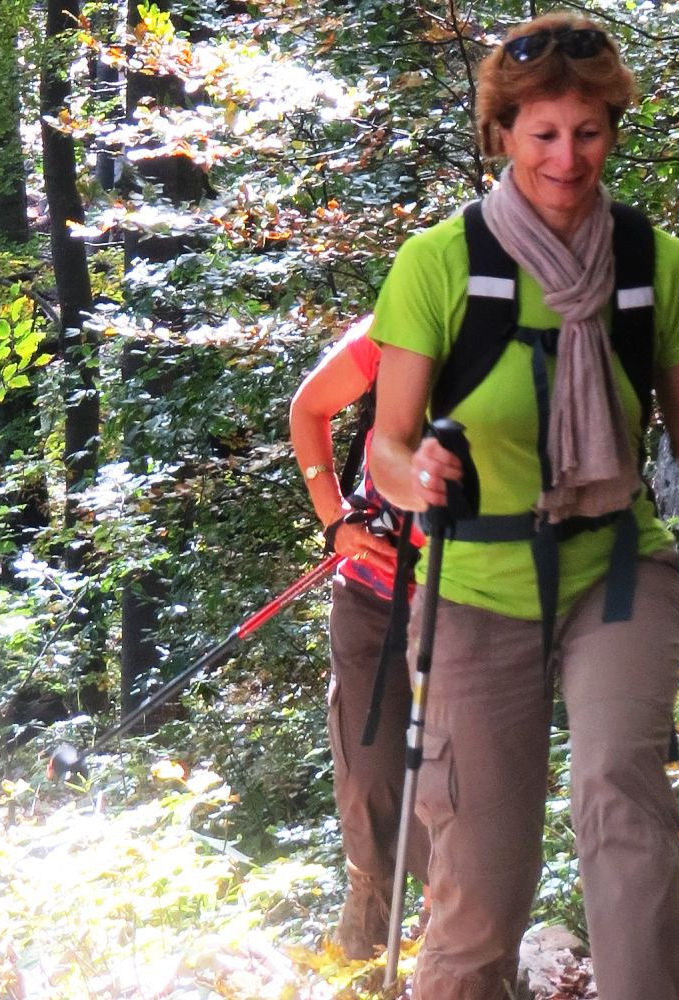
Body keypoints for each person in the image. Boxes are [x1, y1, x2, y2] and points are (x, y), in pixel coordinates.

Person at [366, 12, 679, 1000]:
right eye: (543, 135)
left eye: (588, 132)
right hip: (475, 582)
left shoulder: (653, 264)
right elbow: (386, 444)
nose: (567, 158)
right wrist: (418, 477)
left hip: (614, 568)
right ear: (502, 135)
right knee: (483, 880)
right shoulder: (441, 264)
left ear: (614, 128)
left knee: (622, 801)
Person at [289, 314, 430, 960]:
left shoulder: (526, 337)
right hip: (371, 593)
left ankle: (446, 934)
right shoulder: (393, 330)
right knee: (368, 767)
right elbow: (309, 408)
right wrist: (335, 520)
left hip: (469, 601)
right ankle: (367, 923)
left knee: (449, 778)